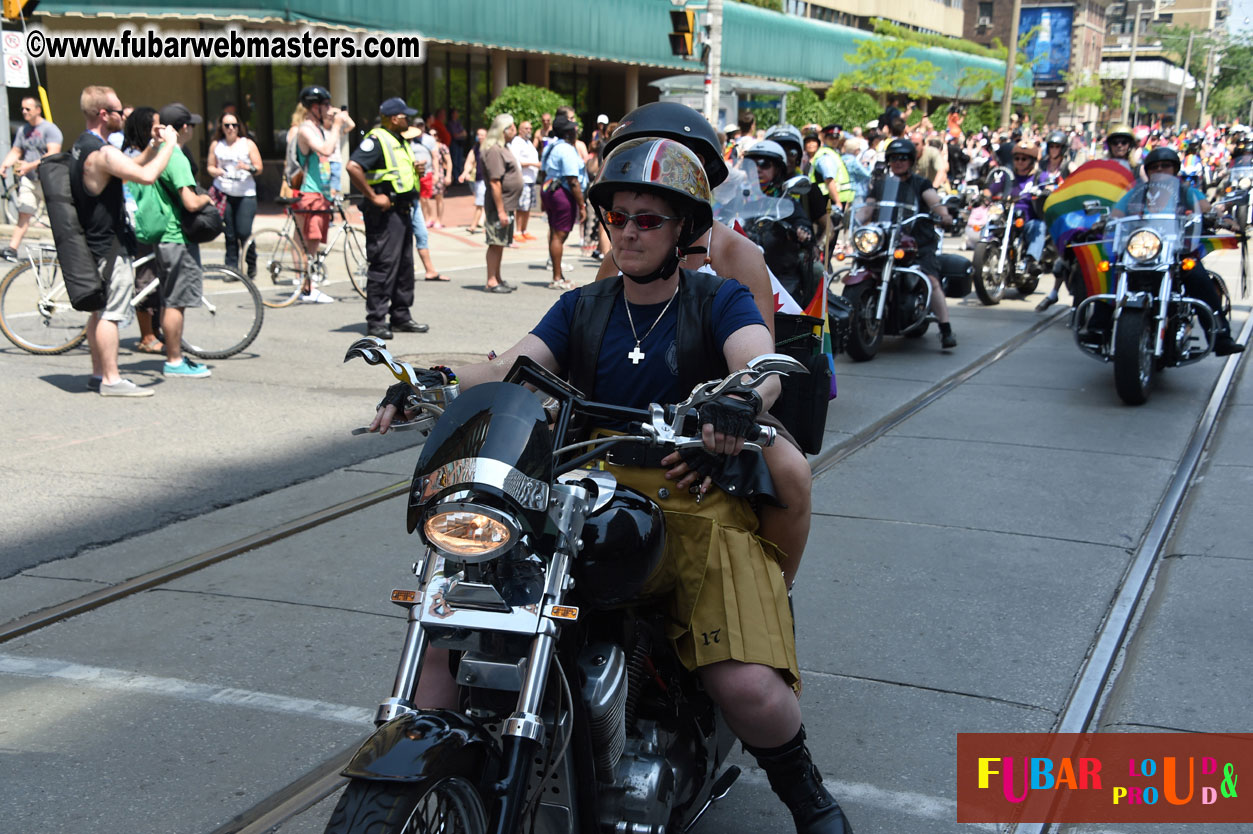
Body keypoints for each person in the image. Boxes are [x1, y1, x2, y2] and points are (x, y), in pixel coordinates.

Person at [373, 138, 853, 834]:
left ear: (684, 229)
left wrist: (740, 398)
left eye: (648, 219)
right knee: (461, 616)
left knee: (746, 684)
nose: (628, 231)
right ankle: (439, 758)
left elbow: (758, 359)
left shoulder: (715, 300)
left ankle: (808, 797)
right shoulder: (583, 306)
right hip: (580, 494)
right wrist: (429, 379)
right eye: (619, 216)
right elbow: (510, 367)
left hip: (691, 495)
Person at [593, 102, 813, 589]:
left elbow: (760, 358)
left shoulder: (740, 255)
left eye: (675, 162)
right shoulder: (621, 253)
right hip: (624, 404)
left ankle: (772, 596)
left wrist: (734, 404)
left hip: (720, 412)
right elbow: (582, 330)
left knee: (792, 474)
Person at [73, 85, 180, 397]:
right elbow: (145, 176)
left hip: (95, 241)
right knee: (111, 313)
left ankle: (98, 374)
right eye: (118, 110)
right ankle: (111, 379)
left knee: (100, 311)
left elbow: (127, 169)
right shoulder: (103, 153)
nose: (123, 115)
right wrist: (170, 146)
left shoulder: (85, 145)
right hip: (109, 244)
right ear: (104, 114)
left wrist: (152, 144)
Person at [1103, 147, 1243, 356]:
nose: (1160, 170)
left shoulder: (1187, 192)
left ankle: (1221, 337)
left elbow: (1207, 208)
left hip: (1177, 252)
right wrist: (1102, 222)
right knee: (1109, 272)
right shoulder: (1136, 193)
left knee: (1200, 279)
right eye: (1155, 167)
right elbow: (1116, 214)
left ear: (1175, 169)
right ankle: (1098, 329)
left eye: (1165, 166)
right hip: (1140, 251)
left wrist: (1222, 219)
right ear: (1147, 171)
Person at [131, 102, 215, 380]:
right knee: (175, 302)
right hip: (176, 236)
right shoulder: (176, 157)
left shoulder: (156, 153)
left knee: (169, 298)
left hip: (163, 236)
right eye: (190, 124)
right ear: (184, 128)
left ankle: (174, 355)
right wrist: (207, 197)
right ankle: (175, 359)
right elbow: (190, 202)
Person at [346, 97, 429, 340]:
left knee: (404, 267)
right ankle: (377, 321)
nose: (410, 120)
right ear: (395, 118)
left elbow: (394, 173)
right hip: (384, 213)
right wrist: (373, 196)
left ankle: (401, 316)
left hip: (402, 211)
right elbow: (353, 167)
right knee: (383, 265)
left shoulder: (399, 140)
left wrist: (416, 171)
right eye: (406, 116)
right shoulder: (377, 140)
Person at [866, 138, 957, 349]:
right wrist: (854, 219)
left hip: (917, 243)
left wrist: (943, 215)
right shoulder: (880, 186)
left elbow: (933, 201)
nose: (898, 162)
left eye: (903, 158)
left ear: (911, 161)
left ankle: (945, 329)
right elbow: (868, 208)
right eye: (894, 158)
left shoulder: (921, 184)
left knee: (931, 279)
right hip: (886, 241)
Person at [294, 85, 349, 303]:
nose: (329, 108)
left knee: (314, 242)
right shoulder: (305, 129)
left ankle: (307, 284)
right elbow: (325, 150)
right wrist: (335, 124)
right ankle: (308, 287)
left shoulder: (319, 127)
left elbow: (350, 126)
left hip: (322, 190)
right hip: (310, 190)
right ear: (314, 107)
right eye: (325, 104)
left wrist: (339, 116)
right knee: (311, 241)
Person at [0, 96, 61, 260]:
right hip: (30, 179)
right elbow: (16, 151)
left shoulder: (50, 129)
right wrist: (4, 165)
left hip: (49, 180)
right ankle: (12, 249)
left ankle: (66, 250)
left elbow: (53, 153)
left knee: (59, 216)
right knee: (24, 212)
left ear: (38, 110)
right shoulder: (24, 130)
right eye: (22, 109)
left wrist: (30, 165)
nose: (24, 112)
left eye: (28, 109)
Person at [206, 108, 262, 277]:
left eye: (234, 125)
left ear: (239, 126)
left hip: (246, 193)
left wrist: (247, 167)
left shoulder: (247, 144)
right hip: (224, 193)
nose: (231, 128)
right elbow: (209, 166)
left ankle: (251, 263)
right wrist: (215, 171)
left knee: (244, 232)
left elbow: (259, 168)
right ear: (221, 127)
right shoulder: (217, 145)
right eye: (227, 125)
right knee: (229, 234)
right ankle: (231, 269)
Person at [984, 142, 1049, 276]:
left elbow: (1049, 187)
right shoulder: (1008, 175)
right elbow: (992, 189)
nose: (1019, 162)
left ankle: (1032, 261)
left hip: (1027, 218)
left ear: (1031, 161)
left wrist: (1045, 191)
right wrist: (984, 195)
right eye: (1017, 158)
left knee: (1038, 226)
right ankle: (985, 254)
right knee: (991, 225)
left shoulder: (1039, 176)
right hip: (1007, 216)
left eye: (1023, 159)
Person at [539, 116, 585, 290]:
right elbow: (573, 180)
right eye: (573, 129)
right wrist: (582, 205)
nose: (576, 132)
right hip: (561, 193)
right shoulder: (566, 149)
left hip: (549, 190)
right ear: (567, 133)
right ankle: (557, 277)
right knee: (559, 235)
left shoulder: (551, 146)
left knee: (554, 233)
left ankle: (558, 274)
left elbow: (543, 173)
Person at [480, 113, 523, 294]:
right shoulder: (494, 151)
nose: (515, 130)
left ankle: (497, 277)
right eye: (512, 127)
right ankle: (491, 280)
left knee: (501, 242)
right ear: (503, 130)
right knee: (495, 242)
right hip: (500, 206)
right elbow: (495, 182)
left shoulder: (502, 148)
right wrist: (501, 211)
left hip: (507, 205)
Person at [400, 122, 447, 283]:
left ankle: (430, 270)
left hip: (412, 197)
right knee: (404, 235)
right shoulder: (399, 149)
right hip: (401, 198)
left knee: (421, 233)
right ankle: (403, 270)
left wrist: (419, 170)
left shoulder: (408, 149)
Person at [1034, 131, 1076, 312]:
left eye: (1057, 146)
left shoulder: (1069, 166)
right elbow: (1033, 181)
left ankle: (1054, 292)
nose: (1053, 149)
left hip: (1061, 213)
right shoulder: (1041, 165)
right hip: (1041, 209)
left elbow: (1076, 185)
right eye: (1051, 146)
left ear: (1063, 148)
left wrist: (1060, 188)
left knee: (1063, 256)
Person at [509, 119, 540, 242]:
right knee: (521, 207)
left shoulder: (529, 143)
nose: (529, 131)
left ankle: (524, 230)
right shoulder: (517, 142)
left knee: (528, 207)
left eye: (530, 128)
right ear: (520, 130)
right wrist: (534, 164)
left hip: (531, 179)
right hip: (523, 179)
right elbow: (516, 162)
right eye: (526, 128)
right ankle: (517, 231)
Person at [458, 127, 487, 233]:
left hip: (486, 180)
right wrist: (464, 174)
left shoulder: (489, 148)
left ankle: (474, 226)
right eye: (478, 134)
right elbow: (470, 162)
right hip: (479, 179)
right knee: (482, 202)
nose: (479, 137)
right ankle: (483, 224)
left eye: (482, 135)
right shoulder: (476, 148)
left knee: (480, 203)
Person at [428, 127, 452, 229]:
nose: (432, 137)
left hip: (440, 174)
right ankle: (429, 218)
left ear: (437, 136)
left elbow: (449, 162)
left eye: (434, 135)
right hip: (428, 173)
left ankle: (439, 219)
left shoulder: (442, 147)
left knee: (439, 197)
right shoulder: (426, 147)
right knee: (426, 198)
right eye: (430, 135)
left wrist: (448, 175)